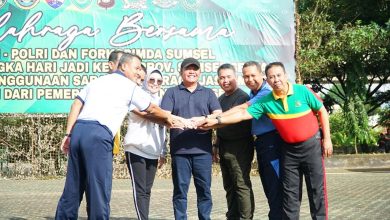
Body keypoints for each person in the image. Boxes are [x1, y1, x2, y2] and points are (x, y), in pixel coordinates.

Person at [198, 62, 333, 220]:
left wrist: (327, 140)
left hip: (300, 146)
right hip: (283, 149)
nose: (275, 80)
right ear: (267, 79)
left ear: (284, 75)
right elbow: (243, 114)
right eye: (271, 77)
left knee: (315, 191)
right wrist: (216, 121)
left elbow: (321, 110)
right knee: (288, 194)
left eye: (278, 75)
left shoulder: (298, 91)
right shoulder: (264, 99)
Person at [55, 53, 173, 220]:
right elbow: (151, 109)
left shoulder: (97, 81)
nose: (140, 73)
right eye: (137, 68)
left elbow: (77, 103)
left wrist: (68, 134)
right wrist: (171, 118)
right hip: (98, 134)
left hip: (79, 131)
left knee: (73, 186)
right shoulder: (128, 86)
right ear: (123, 66)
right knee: (99, 187)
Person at [161, 57, 222, 220]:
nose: (192, 72)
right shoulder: (171, 92)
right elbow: (164, 115)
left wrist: (203, 118)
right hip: (179, 151)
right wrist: (184, 121)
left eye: (195, 69)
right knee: (180, 191)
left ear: (200, 72)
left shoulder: (208, 93)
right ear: (181, 72)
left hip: (203, 151)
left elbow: (218, 114)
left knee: (204, 190)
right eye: (188, 69)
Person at [123, 69, 167, 220]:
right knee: (140, 190)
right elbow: (147, 115)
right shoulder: (136, 96)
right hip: (135, 148)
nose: (155, 83)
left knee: (147, 190)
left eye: (159, 81)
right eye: (151, 80)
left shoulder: (163, 101)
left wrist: (163, 151)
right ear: (146, 80)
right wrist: (167, 117)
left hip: (153, 151)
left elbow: (163, 129)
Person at [215, 63, 255, 220]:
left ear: (235, 78)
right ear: (218, 80)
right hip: (224, 146)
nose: (225, 81)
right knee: (229, 186)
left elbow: (230, 121)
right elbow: (219, 127)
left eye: (228, 77)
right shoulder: (220, 99)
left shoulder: (242, 98)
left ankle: (246, 217)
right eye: (222, 78)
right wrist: (216, 144)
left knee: (241, 184)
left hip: (240, 146)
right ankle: (232, 216)